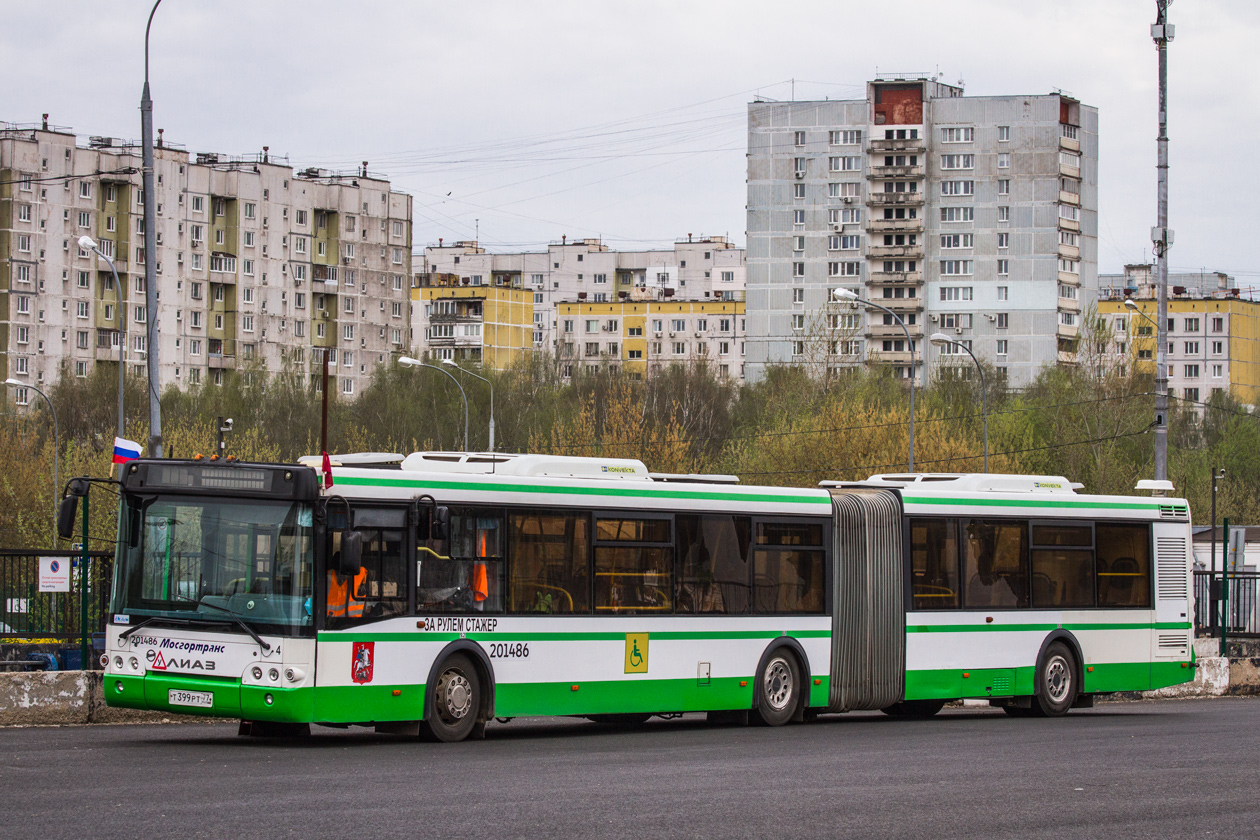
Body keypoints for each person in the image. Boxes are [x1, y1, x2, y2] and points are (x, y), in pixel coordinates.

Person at [327, 550, 367, 618]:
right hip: (330, 622)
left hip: (356, 623)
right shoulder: (328, 576)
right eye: (338, 572)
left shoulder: (360, 574)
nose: (341, 576)